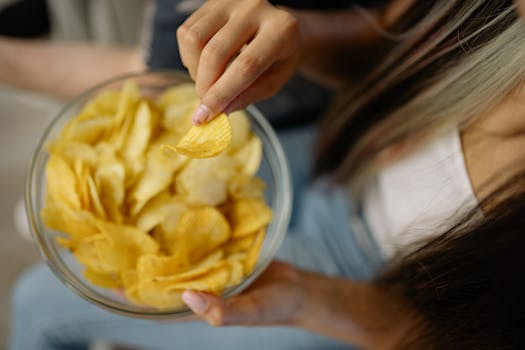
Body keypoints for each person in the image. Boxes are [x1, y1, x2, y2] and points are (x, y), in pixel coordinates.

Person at [7, 0, 525, 349]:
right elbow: (390, 51)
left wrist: (306, 300)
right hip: (330, 154)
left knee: (35, 303)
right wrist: (296, 40)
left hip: (365, 291)